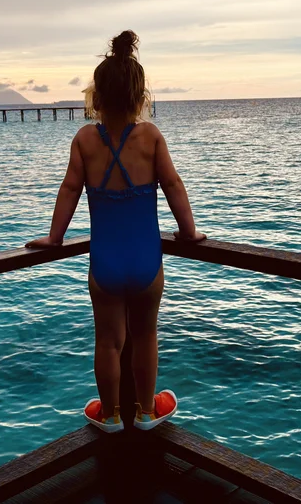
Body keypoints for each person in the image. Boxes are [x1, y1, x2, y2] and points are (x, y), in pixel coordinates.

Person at [26, 30, 206, 432]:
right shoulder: (150, 137)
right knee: (145, 335)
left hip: (105, 262)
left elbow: (70, 189)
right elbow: (173, 184)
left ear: (97, 97)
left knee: (108, 341)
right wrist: (189, 233)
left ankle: (108, 414)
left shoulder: (85, 140)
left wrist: (54, 239)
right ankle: (146, 411)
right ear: (140, 97)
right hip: (146, 260)